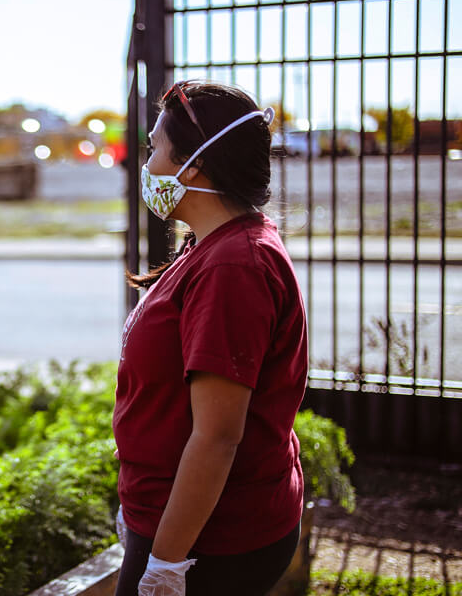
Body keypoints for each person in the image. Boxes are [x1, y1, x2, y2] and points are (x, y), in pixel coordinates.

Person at [112, 80, 308, 596]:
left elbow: (218, 436)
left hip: (212, 541)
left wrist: (165, 561)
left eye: (154, 147)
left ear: (193, 164)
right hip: (180, 521)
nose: (148, 164)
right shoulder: (212, 245)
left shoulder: (233, 267)